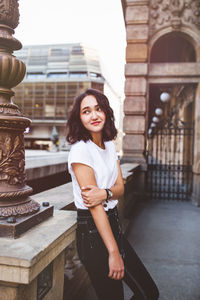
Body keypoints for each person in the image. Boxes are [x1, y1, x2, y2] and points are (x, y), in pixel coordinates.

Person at [66, 88, 159, 300]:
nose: (94, 115)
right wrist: (113, 252)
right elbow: (94, 206)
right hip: (93, 233)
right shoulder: (81, 151)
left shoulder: (108, 145)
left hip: (113, 226)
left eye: (98, 109)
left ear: (106, 112)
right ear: (79, 118)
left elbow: (120, 187)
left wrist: (105, 193)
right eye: (86, 111)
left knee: (149, 292)